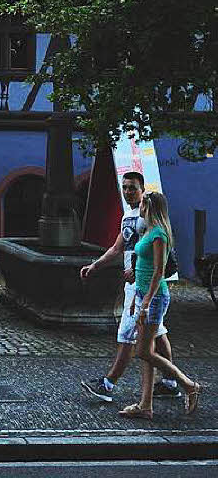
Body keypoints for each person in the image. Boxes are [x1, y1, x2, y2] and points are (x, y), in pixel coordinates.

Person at [80, 171, 179, 402]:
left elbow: (157, 257)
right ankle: (171, 382)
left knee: (126, 332)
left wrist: (135, 272)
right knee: (159, 332)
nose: (127, 192)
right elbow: (117, 248)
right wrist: (95, 265)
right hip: (135, 285)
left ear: (142, 190)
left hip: (142, 286)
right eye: (124, 187)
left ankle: (108, 384)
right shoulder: (128, 216)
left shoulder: (148, 217)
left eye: (132, 188)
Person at [119, 190, 200, 418]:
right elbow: (141, 270)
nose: (139, 207)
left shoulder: (159, 235)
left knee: (143, 351)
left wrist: (144, 303)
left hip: (155, 299)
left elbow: (158, 273)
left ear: (149, 207)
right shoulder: (148, 230)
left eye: (142, 204)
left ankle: (189, 385)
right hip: (145, 296)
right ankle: (145, 406)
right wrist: (137, 299)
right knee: (147, 351)